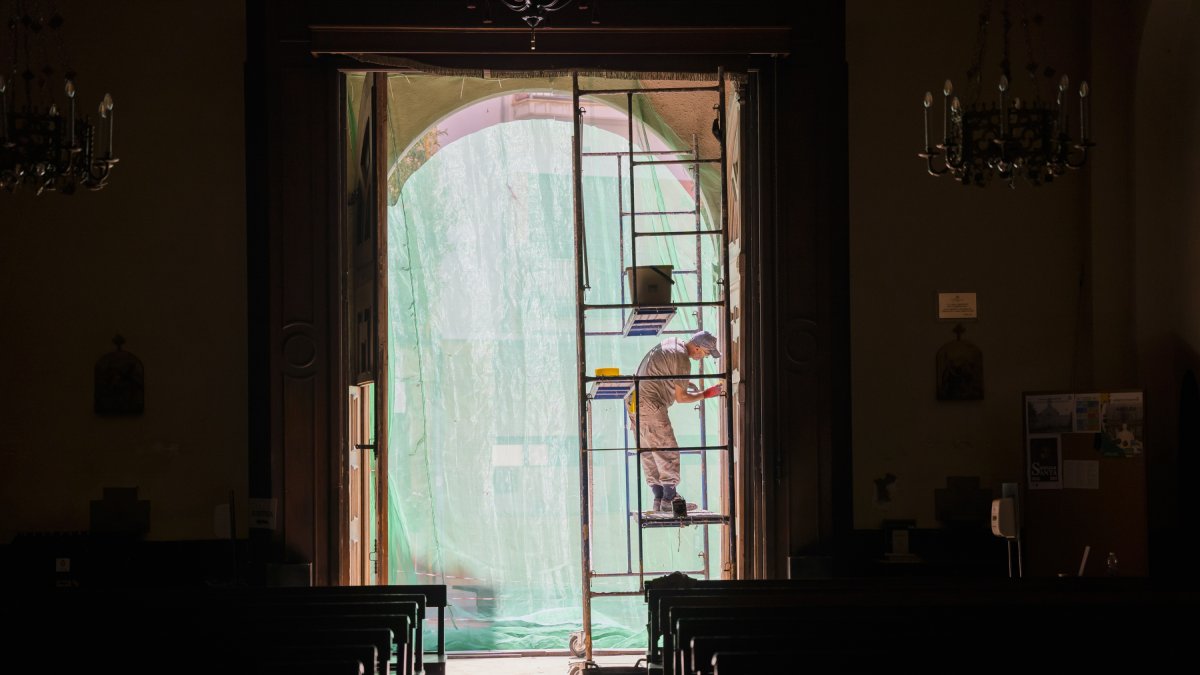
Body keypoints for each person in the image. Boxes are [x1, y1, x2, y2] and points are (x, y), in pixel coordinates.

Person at [629, 330, 722, 512]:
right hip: (650, 404)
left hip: (634, 402)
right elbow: (681, 398)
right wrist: (706, 394)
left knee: (649, 451)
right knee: (667, 449)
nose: (703, 358)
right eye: (705, 353)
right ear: (697, 348)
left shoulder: (672, 343)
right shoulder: (683, 359)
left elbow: (665, 375)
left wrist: (686, 384)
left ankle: (659, 498)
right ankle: (670, 499)